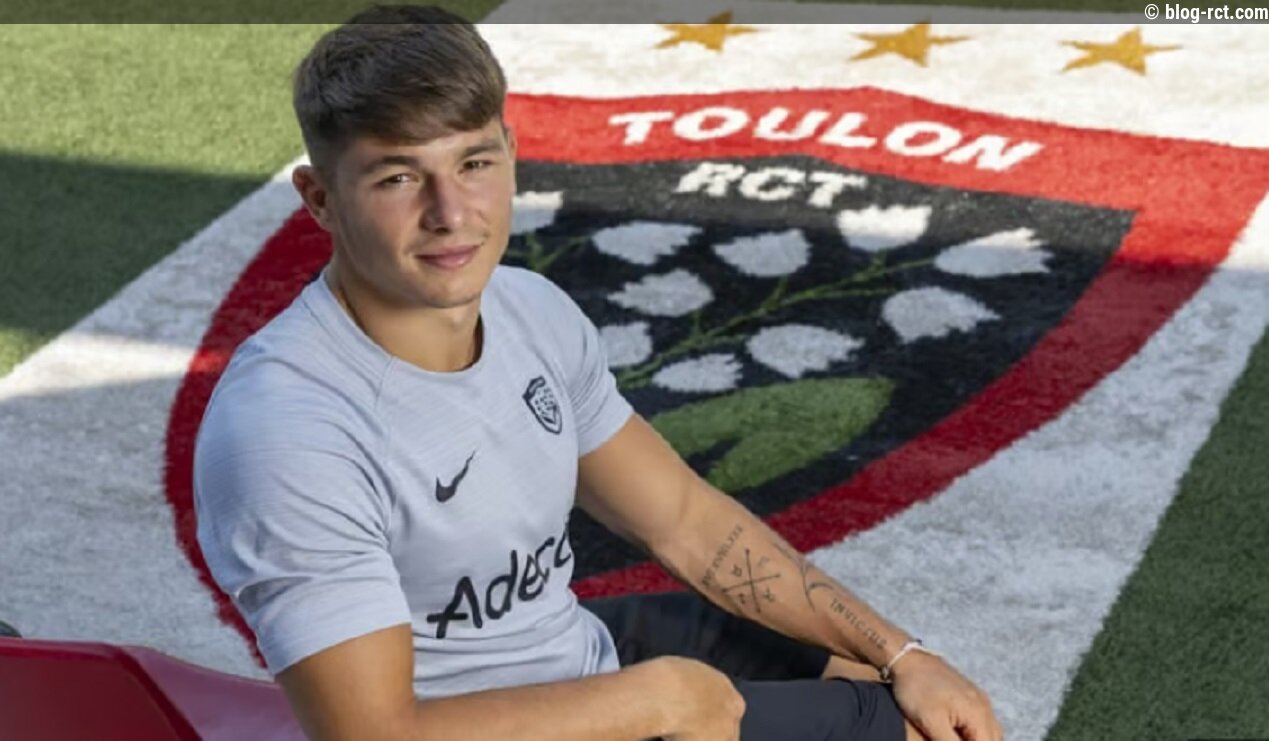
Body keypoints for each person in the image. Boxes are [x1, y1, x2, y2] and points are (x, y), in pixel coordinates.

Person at [193, 6, 1003, 740]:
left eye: (473, 162)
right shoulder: (286, 428)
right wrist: (659, 701)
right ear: (320, 198)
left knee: (890, 687)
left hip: (570, 653)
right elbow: (374, 734)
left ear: (511, 152)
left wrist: (902, 652)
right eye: (398, 178)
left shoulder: (529, 308)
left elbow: (684, 519)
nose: (450, 212)